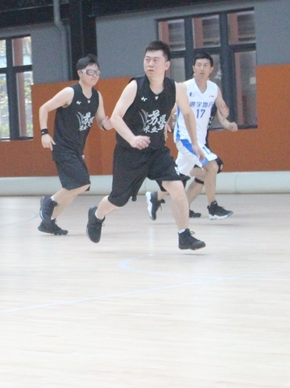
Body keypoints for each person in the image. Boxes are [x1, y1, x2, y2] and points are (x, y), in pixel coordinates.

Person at [85, 40, 207, 250]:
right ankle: (96, 215)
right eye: (147, 59)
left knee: (177, 187)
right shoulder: (134, 87)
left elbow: (187, 113)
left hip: (157, 151)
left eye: (155, 60)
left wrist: (195, 144)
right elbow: (116, 117)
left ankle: (184, 235)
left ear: (166, 65)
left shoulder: (176, 88)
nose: (150, 64)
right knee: (118, 200)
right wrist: (132, 139)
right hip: (129, 153)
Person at [145, 52, 237, 221]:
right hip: (185, 138)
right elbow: (170, 106)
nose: (202, 68)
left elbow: (221, 109)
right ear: (193, 67)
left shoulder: (214, 89)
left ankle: (155, 197)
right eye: (198, 65)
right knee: (212, 167)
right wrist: (164, 124)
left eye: (205, 65)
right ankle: (213, 208)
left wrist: (227, 118)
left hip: (199, 139)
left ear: (211, 69)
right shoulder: (184, 87)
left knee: (179, 176)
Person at [36, 54, 112, 236]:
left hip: (77, 148)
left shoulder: (97, 96)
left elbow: (101, 121)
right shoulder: (70, 93)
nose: (94, 76)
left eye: (97, 72)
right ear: (80, 73)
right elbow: (44, 108)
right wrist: (44, 133)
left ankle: (49, 222)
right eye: (90, 72)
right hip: (62, 146)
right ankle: (49, 201)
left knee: (73, 189)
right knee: (82, 183)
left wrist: (108, 124)